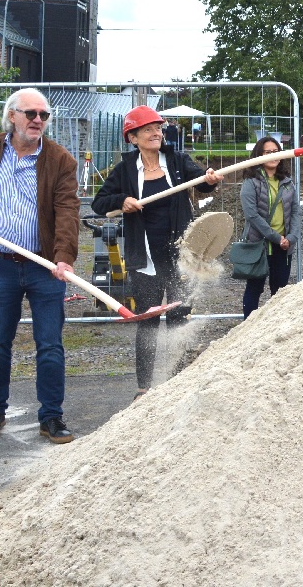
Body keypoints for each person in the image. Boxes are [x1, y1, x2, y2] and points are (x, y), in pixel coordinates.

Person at [0, 88, 81, 444]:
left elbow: (68, 210)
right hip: (0, 266)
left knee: (50, 345)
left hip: (45, 268)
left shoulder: (60, 159)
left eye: (44, 115)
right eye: (31, 114)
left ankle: (51, 417)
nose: (38, 120)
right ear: (12, 116)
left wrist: (64, 256)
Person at [92, 106, 222, 398]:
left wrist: (209, 178)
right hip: (146, 259)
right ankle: (143, 388)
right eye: (148, 129)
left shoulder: (176, 160)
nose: (156, 133)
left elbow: (200, 180)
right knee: (147, 321)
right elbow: (100, 203)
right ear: (133, 137)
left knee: (178, 318)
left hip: (180, 256)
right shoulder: (126, 169)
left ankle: (177, 383)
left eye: (158, 128)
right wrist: (123, 199)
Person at [240, 136, 299, 317]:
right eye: (268, 152)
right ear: (259, 155)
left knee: (280, 291)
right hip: (260, 245)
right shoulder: (251, 182)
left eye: (276, 151)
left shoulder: (288, 183)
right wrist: (276, 237)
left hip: (283, 247)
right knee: (254, 289)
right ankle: (248, 329)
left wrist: (291, 238)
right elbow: (252, 215)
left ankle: (276, 330)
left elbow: (296, 212)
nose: (273, 155)